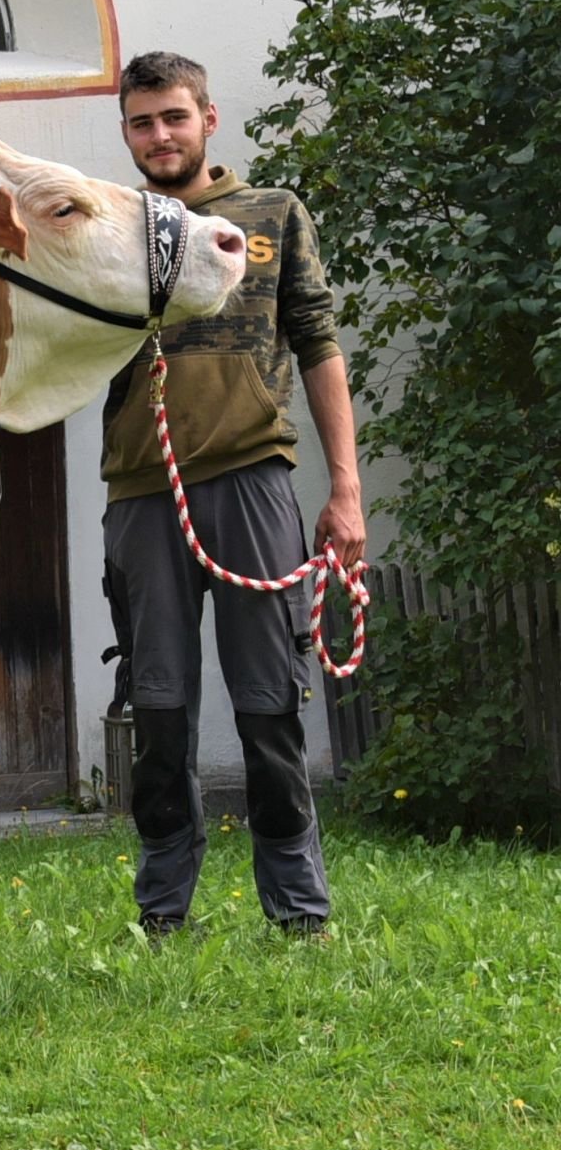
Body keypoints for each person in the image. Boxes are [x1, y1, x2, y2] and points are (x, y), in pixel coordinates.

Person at [101, 50, 366, 937]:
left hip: (253, 480)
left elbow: (319, 345)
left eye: (174, 116)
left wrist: (346, 494)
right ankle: (163, 911)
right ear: (128, 130)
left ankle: (298, 909)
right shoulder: (115, 226)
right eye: (142, 121)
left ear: (208, 118)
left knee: (269, 704)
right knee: (160, 711)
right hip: (144, 493)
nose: (159, 135)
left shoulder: (272, 214)